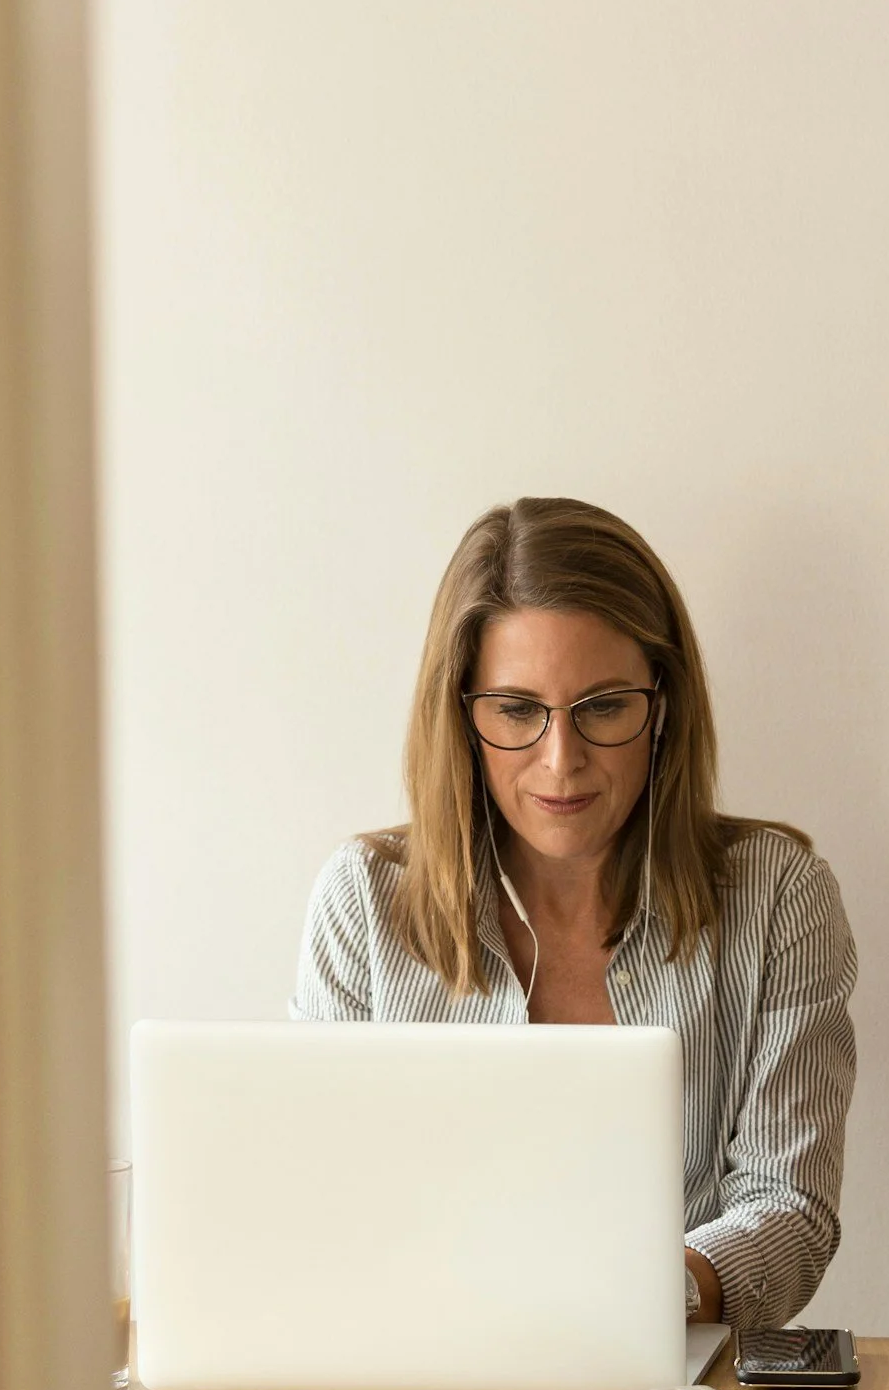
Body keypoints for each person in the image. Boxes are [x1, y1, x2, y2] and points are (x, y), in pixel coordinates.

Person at [291, 495, 857, 1333]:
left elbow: (789, 1209)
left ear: (660, 706)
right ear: (461, 715)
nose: (561, 761)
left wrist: (628, 1304)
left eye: (601, 707)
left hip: (672, 1389)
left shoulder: (776, 897)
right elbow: (318, 1203)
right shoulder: (364, 901)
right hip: (414, 1372)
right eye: (517, 710)